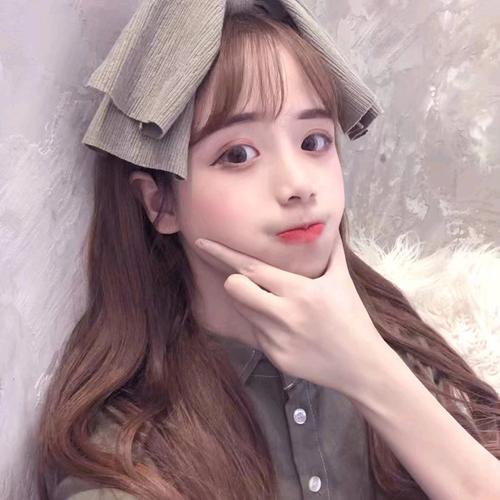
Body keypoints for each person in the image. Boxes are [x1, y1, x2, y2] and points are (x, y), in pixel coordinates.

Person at [36, 4, 500, 500]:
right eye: (238, 154)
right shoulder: (125, 453)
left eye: (314, 141)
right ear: (160, 202)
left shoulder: (406, 353)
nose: (298, 184)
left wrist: (370, 370)